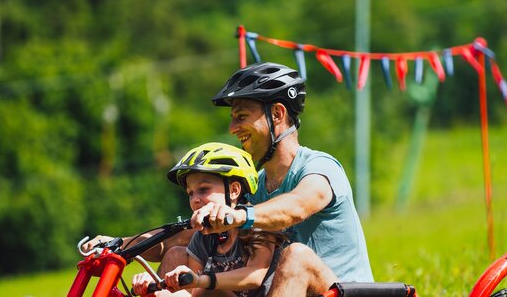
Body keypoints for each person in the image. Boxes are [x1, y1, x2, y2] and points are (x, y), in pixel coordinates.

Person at [191, 61, 374, 296]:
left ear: (277, 114)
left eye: (242, 116)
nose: (232, 128)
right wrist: (135, 243)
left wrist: (236, 216)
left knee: (296, 256)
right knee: (195, 271)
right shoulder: (257, 185)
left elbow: (296, 206)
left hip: (344, 292)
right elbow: (197, 231)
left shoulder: (320, 167)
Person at [131, 142, 285, 297]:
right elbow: (192, 292)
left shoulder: (259, 224)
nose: (195, 200)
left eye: (203, 189)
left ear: (234, 190)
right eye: (190, 193)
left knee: (207, 289)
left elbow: (254, 277)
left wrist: (202, 281)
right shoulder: (202, 236)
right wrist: (154, 287)